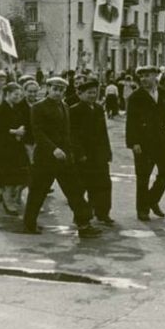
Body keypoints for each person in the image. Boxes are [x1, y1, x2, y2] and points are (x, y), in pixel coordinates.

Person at [22, 77, 103, 239]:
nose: (58, 92)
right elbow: (38, 133)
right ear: (48, 88)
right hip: (45, 158)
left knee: (75, 192)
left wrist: (70, 152)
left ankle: (84, 225)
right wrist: (54, 149)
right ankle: (29, 224)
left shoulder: (65, 106)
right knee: (38, 192)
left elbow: (67, 133)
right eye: (55, 89)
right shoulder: (38, 107)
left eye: (61, 90)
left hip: (64, 158)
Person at [126, 65, 165, 222]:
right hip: (143, 142)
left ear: (156, 76)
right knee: (143, 176)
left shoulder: (163, 93)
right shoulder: (136, 97)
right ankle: (142, 210)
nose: (143, 79)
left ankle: (151, 199)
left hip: (161, 139)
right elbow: (131, 122)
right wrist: (133, 142)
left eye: (147, 75)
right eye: (141, 76)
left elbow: (164, 115)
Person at [70, 78, 114, 225]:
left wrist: (108, 152)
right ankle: (80, 215)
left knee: (103, 184)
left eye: (94, 93)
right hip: (84, 156)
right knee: (82, 186)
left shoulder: (99, 109)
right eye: (89, 93)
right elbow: (73, 135)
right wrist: (79, 154)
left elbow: (103, 133)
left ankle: (103, 213)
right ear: (80, 94)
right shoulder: (74, 110)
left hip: (99, 155)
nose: (92, 95)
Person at [0, 82, 29, 215]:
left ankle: (8, 197)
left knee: (19, 175)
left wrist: (21, 130)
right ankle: (8, 202)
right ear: (8, 94)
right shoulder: (1, 108)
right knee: (9, 176)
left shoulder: (16, 107)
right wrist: (15, 132)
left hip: (16, 146)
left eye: (20, 94)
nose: (18, 97)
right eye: (15, 94)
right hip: (4, 147)